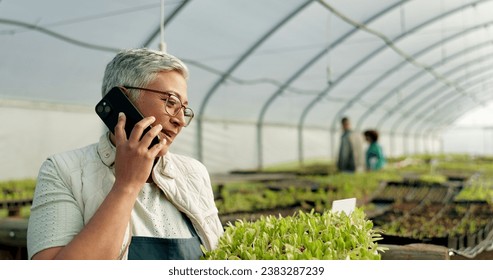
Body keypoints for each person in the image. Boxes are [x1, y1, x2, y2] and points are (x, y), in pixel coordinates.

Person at [27, 48, 224, 260]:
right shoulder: (63, 171)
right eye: (170, 102)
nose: (180, 121)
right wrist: (126, 185)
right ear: (124, 99)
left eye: (184, 109)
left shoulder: (193, 173)